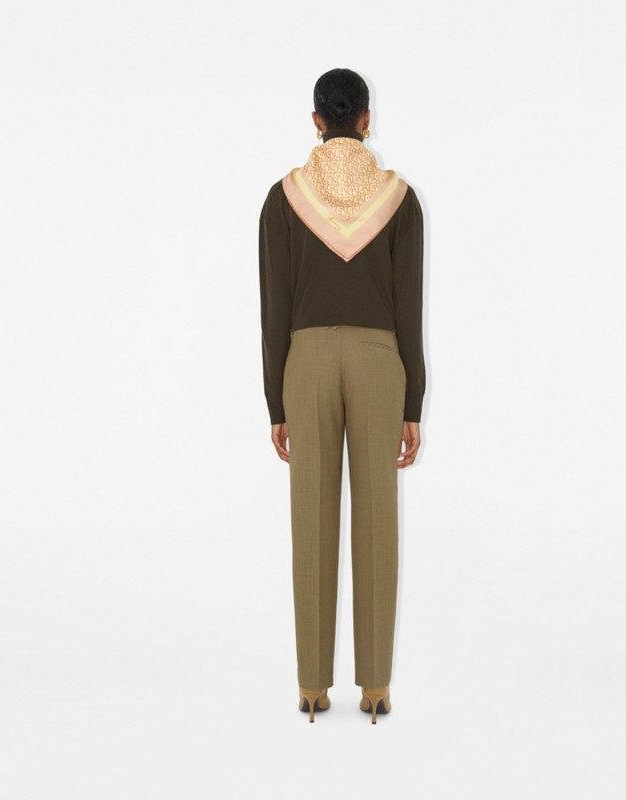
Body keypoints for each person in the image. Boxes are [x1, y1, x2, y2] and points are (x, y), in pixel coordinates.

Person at [258, 67, 426, 724]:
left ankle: (312, 687)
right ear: (364, 119)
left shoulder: (284, 198)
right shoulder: (399, 199)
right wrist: (413, 402)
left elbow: (274, 310)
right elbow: (409, 309)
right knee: (377, 518)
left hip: (305, 362)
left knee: (312, 518)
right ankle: (375, 688)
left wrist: (276, 403)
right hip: (381, 361)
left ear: (315, 121)